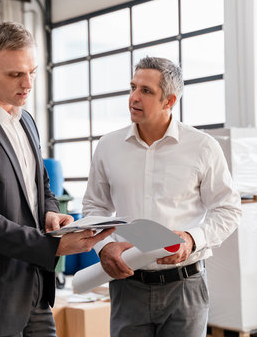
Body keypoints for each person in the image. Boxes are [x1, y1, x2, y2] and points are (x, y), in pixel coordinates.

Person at [0, 21, 113, 337]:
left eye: (33, 71)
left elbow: (40, 185)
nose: (28, 83)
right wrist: (51, 248)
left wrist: (51, 212)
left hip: (34, 289)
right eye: (15, 74)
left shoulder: (25, 119)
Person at [82, 56, 242, 337]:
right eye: (132, 87)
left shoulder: (203, 147)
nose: (134, 97)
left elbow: (228, 209)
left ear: (169, 100)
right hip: (128, 284)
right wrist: (104, 247)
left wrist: (192, 239)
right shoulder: (108, 147)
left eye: (146, 91)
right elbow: (94, 206)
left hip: (185, 286)